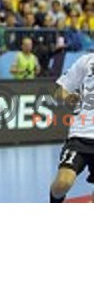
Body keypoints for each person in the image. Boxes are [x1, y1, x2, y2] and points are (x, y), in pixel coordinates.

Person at [49, 53, 94, 203]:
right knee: (62, 183)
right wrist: (67, 97)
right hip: (81, 134)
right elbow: (58, 93)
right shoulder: (86, 61)